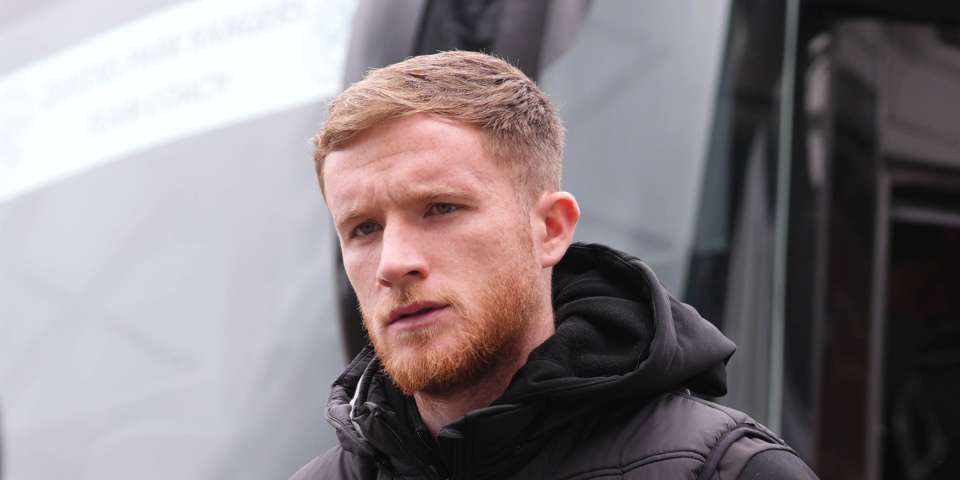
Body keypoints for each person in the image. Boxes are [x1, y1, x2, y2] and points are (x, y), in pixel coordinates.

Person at [292, 51, 818, 479]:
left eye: (441, 208)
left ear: (550, 229)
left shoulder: (728, 471)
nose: (393, 263)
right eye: (364, 228)